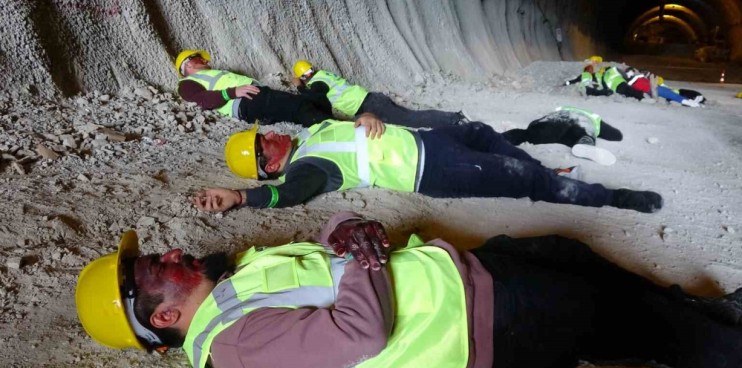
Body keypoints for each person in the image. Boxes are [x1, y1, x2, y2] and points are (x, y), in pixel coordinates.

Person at [75, 212, 742, 368]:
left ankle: (714, 317)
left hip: (466, 271)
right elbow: (361, 331)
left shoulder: (234, 283)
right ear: (162, 317)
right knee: (632, 321)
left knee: (578, 259)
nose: (161, 255)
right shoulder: (237, 348)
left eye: (148, 252)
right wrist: (361, 253)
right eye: (148, 270)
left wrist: (346, 229)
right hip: (486, 321)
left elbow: (322, 251)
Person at [193, 115, 662, 213]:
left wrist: (366, 116)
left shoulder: (313, 134)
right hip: (434, 172)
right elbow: (286, 197)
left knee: (481, 132)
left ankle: (547, 172)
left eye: (265, 132)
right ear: (268, 166)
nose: (272, 133)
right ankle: (613, 199)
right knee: (523, 180)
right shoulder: (304, 170)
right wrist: (239, 197)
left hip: (430, 140)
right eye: (264, 143)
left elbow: (353, 121)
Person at [176, 50, 333, 127]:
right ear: (188, 64)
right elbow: (203, 99)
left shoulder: (211, 74)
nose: (204, 59)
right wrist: (233, 92)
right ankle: (338, 128)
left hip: (254, 97)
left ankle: (331, 123)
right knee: (299, 107)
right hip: (245, 101)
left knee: (306, 104)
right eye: (198, 58)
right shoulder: (186, 83)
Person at [292, 60, 466, 128]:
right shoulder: (323, 75)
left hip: (369, 106)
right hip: (371, 101)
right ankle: (453, 118)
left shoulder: (317, 83)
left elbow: (312, 97)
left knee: (411, 119)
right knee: (409, 117)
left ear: (303, 77)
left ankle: (454, 119)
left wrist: (299, 87)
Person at [503, 106, 620, 166]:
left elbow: (536, 122)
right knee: (584, 134)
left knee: (530, 134)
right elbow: (616, 135)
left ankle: (501, 138)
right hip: (583, 123)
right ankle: (586, 142)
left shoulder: (560, 110)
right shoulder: (594, 118)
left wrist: (532, 127)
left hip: (556, 120)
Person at [623, 68, 701, 108]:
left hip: (654, 88)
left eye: (631, 71)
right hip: (653, 89)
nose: (632, 72)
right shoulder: (634, 79)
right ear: (627, 74)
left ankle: (691, 101)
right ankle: (692, 104)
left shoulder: (635, 79)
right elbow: (642, 76)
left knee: (672, 94)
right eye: (630, 71)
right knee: (673, 95)